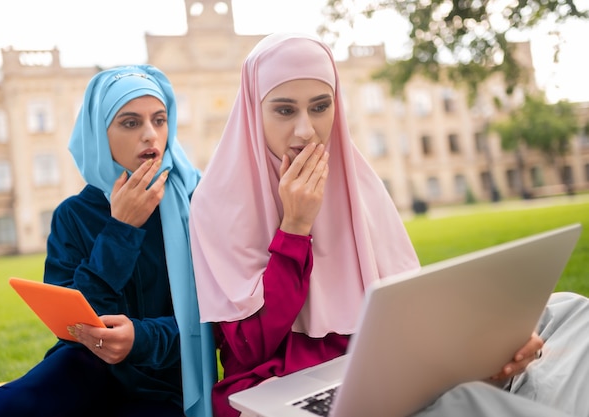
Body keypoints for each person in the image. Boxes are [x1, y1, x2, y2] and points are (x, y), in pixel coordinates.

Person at [188, 32, 589, 417]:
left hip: (380, 365)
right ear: (252, 111)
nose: (305, 131)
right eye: (284, 109)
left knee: (570, 311)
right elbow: (250, 348)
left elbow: (406, 308)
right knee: (471, 402)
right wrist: (294, 227)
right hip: (282, 384)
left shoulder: (357, 184)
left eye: (320, 106)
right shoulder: (218, 202)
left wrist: (475, 347)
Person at [0, 65, 216, 417]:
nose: (150, 135)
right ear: (100, 133)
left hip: (165, 383)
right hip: (84, 369)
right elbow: (70, 322)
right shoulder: (73, 214)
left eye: (159, 120)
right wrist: (121, 228)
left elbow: (217, 319)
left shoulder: (197, 204)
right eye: (130, 123)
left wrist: (139, 339)